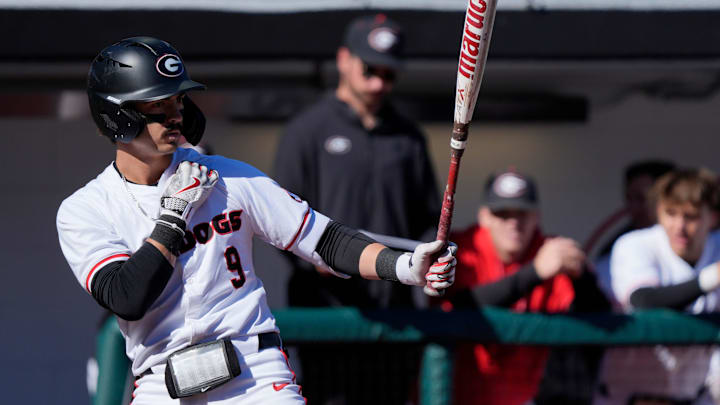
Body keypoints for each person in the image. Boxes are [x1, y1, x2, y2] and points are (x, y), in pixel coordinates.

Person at [55, 36, 456, 405]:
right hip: (162, 380)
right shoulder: (85, 209)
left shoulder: (228, 176)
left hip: (254, 372)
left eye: (177, 102)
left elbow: (324, 239)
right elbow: (126, 298)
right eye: (156, 106)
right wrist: (171, 220)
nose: (174, 116)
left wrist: (402, 266)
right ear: (116, 115)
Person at [274, 14, 440, 310]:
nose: (378, 83)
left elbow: (427, 219)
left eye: (388, 74)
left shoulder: (409, 137)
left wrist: (429, 262)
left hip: (395, 307)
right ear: (343, 60)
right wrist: (313, 260)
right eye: (369, 69)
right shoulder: (307, 130)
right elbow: (279, 215)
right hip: (326, 306)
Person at [436, 169, 604, 405]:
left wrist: (582, 277)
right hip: (459, 393)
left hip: (523, 395)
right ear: (485, 216)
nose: (513, 223)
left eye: (522, 213)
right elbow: (456, 307)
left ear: (536, 216)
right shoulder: (462, 248)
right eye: (503, 214)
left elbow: (600, 316)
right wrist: (534, 273)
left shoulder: (549, 250)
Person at [595, 168, 720, 405]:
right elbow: (643, 301)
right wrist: (712, 277)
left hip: (691, 394)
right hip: (628, 395)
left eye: (690, 216)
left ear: (712, 217)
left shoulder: (717, 246)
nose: (679, 226)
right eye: (670, 213)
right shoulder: (636, 245)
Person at [588, 160, 675, 307]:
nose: (634, 208)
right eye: (629, 198)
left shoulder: (709, 244)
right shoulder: (612, 252)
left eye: (642, 199)